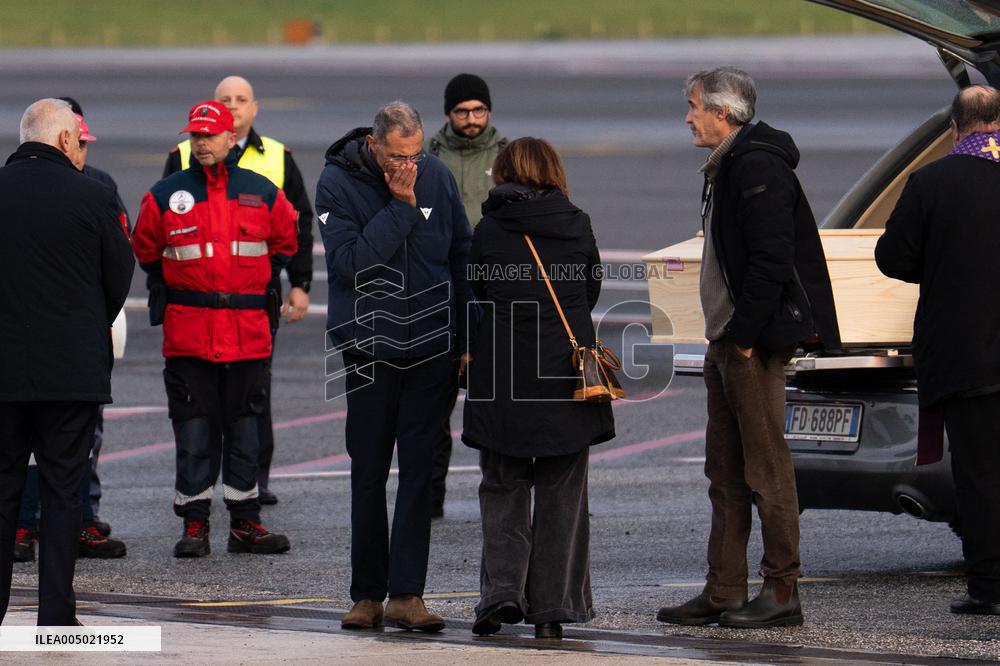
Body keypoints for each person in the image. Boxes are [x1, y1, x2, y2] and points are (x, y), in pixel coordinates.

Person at [656, 67, 840, 629]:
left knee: (767, 470)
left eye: (692, 106)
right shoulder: (729, 164)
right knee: (725, 473)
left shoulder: (756, 164)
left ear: (723, 112)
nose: (687, 116)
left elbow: (771, 259)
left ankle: (782, 590)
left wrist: (742, 339)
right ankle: (725, 589)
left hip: (748, 345)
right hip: (727, 341)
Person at [315, 101, 472, 632]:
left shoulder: (437, 175)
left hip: (432, 350)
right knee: (368, 472)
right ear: (375, 145)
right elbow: (350, 265)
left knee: (419, 475)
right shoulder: (336, 184)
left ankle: (407, 594)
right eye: (397, 156)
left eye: (415, 153)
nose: (409, 165)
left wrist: (466, 337)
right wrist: (401, 206)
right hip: (366, 349)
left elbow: (461, 256)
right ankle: (366, 595)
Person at [463, 137, 615, 639]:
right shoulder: (577, 223)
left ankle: (503, 592)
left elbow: (479, 290)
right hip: (565, 377)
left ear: (506, 174)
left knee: (503, 486)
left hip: (503, 376)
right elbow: (589, 289)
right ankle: (553, 609)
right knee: (562, 493)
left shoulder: (489, 229)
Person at [133, 100, 297, 558]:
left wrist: (250, 282)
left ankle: (246, 525)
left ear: (231, 138)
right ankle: (195, 525)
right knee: (193, 432)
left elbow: (286, 240)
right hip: (189, 335)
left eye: (210, 135)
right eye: (195, 136)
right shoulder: (166, 194)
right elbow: (145, 247)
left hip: (247, 334)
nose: (202, 143)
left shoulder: (262, 191)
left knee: (245, 430)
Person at [0, 98, 133, 625]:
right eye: (79, 140)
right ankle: (55, 617)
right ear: (61, 140)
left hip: (3, 372)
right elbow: (118, 277)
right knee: (62, 495)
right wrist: (80, 321)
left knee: (3, 491)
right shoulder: (94, 196)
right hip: (70, 374)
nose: (82, 149)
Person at [876, 85, 1000, 616]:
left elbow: (892, 259)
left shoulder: (931, 181)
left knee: (979, 476)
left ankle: (990, 587)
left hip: (966, 356)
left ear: (954, 128)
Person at [164, 76, 314, 506]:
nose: (232, 106)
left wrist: (298, 284)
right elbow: (159, 236)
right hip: (197, 307)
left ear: (254, 108)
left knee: (253, 396)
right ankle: (202, 489)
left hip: (253, 301)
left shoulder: (279, 158)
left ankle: (253, 483)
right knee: (200, 405)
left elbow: (298, 227)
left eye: (240, 100)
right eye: (224, 100)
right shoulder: (180, 157)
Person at [425, 73, 508, 518]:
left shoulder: (509, 154)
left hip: (492, 286)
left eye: (478, 110)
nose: (471, 119)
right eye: (462, 111)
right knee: (434, 402)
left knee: (492, 397)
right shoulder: (426, 156)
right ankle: (430, 497)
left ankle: (499, 493)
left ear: (489, 111)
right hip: (440, 286)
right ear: (448, 114)